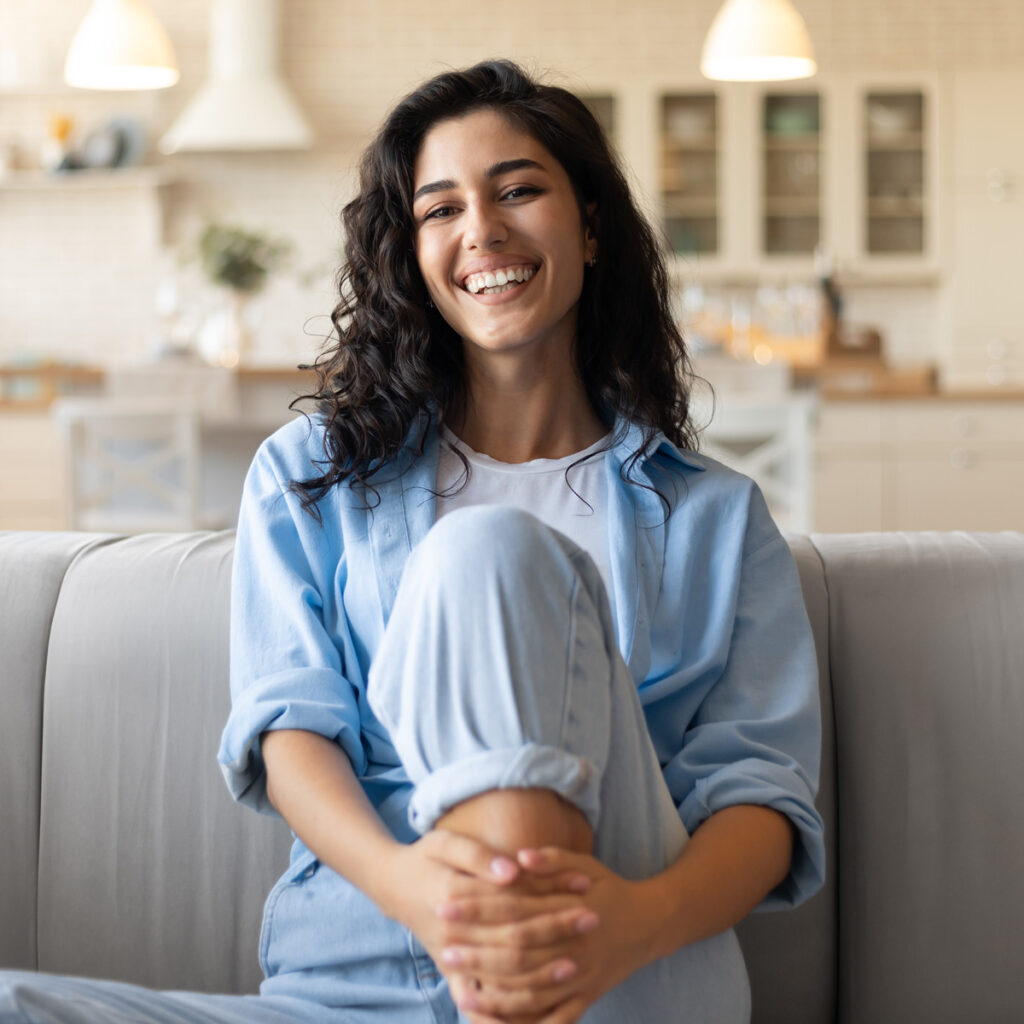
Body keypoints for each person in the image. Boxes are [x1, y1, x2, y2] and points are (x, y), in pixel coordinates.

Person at [0, 59, 824, 1024]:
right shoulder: (314, 474)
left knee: (491, 556)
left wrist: (633, 924)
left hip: (614, 976)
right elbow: (291, 726)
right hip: (358, 982)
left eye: (519, 189)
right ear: (411, 250)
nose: (483, 228)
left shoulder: (718, 520)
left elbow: (760, 798)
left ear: (591, 225)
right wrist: (410, 888)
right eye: (441, 209)